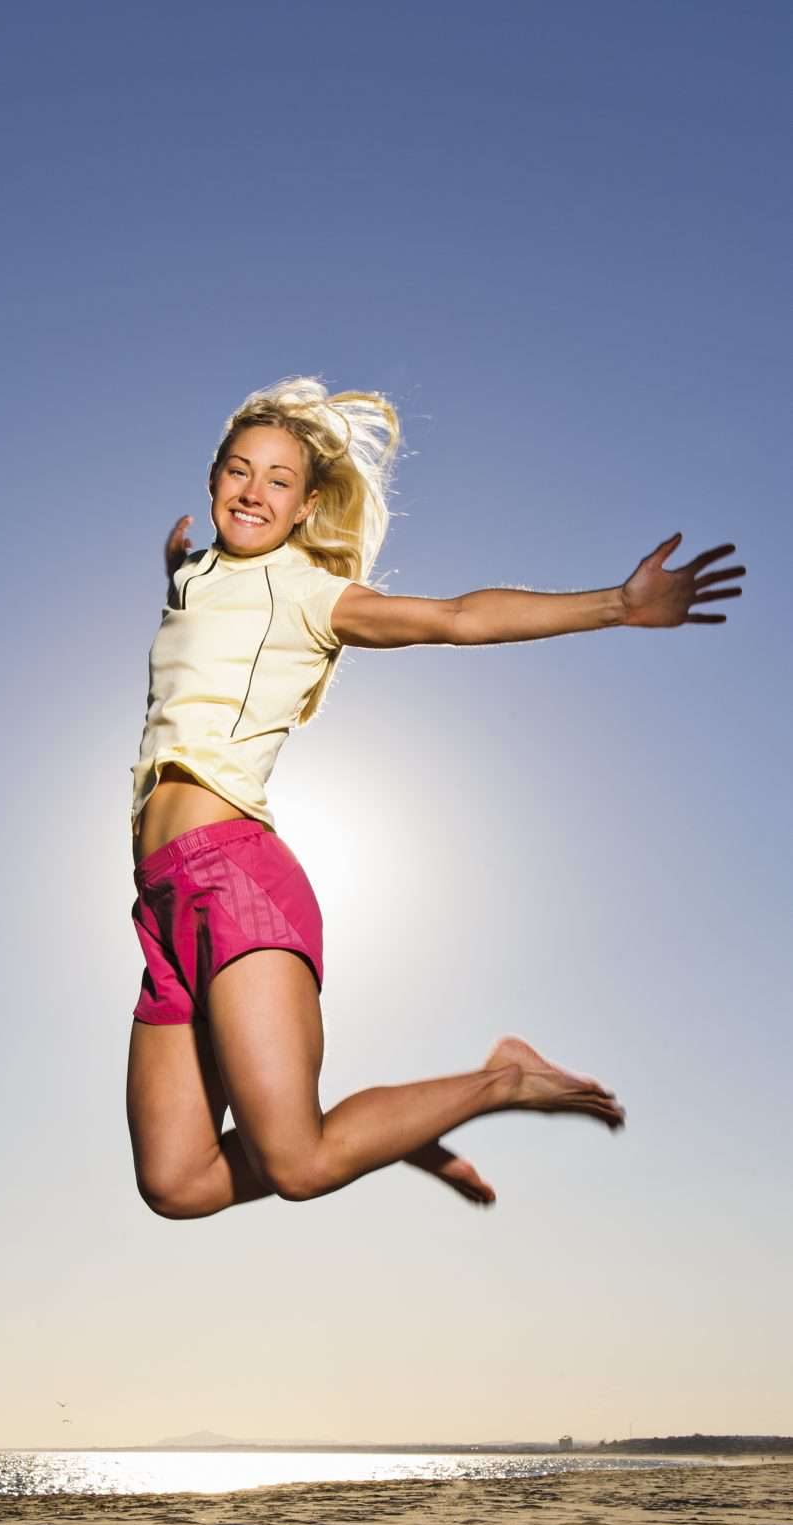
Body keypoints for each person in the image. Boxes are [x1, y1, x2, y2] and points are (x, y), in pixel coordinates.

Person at [127, 377, 742, 1220]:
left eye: (278, 480)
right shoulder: (197, 577)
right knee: (175, 1183)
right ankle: (390, 1131)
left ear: (308, 507)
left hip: (234, 878)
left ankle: (500, 1079)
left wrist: (615, 605)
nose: (253, 492)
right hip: (160, 897)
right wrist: (177, 565)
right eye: (238, 471)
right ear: (210, 479)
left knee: (301, 1165)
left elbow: (456, 616)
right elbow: (198, 611)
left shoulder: (309, 592)